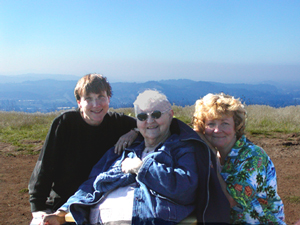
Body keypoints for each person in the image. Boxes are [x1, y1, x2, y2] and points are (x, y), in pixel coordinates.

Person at [42, 89, 225, 225]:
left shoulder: (183, 149)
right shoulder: (123, 149)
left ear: (170, 115)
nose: (150, 121)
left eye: (156, 114)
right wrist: (62, 212)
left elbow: (185, 189)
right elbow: (91, 183)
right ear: (137, 121)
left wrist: (141, 168)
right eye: (142, 116)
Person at [29, 73, 138, 223]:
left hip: (100, 203)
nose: (96, 104)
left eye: (101, 97)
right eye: (88, 99)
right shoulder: (65, 123)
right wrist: (38, 208)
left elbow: (160, 123)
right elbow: (45, 166)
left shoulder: (118, 123)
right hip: (63, 203)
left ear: (108, 98)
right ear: (79, 102)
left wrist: (135, 132)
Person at [193, 93, 286, 224]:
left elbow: (231, 201)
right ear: (202, 128)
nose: (217, 130)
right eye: (211, 124)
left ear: (236, 126)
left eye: (224, 123)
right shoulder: (219, 156)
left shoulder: (253, 156)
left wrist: (210, 160)